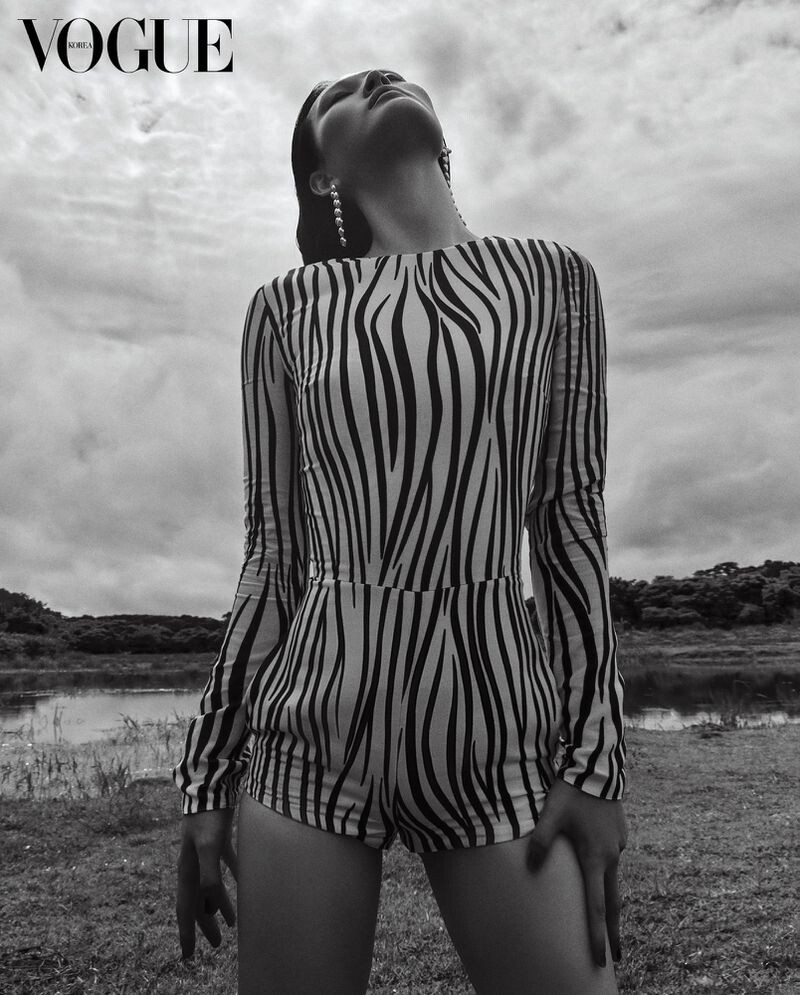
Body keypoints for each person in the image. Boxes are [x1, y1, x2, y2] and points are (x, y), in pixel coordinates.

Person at [173, 67, 627, 995]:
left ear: (442, 138)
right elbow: (273, 554)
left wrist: (596, 763)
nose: (376, 77)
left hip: (497, 730)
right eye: (336, 92)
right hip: (309, 737)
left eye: (390, 74)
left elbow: (570, 523)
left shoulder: (554, 281)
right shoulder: (287, 310)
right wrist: (209, 775)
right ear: (320, 175)